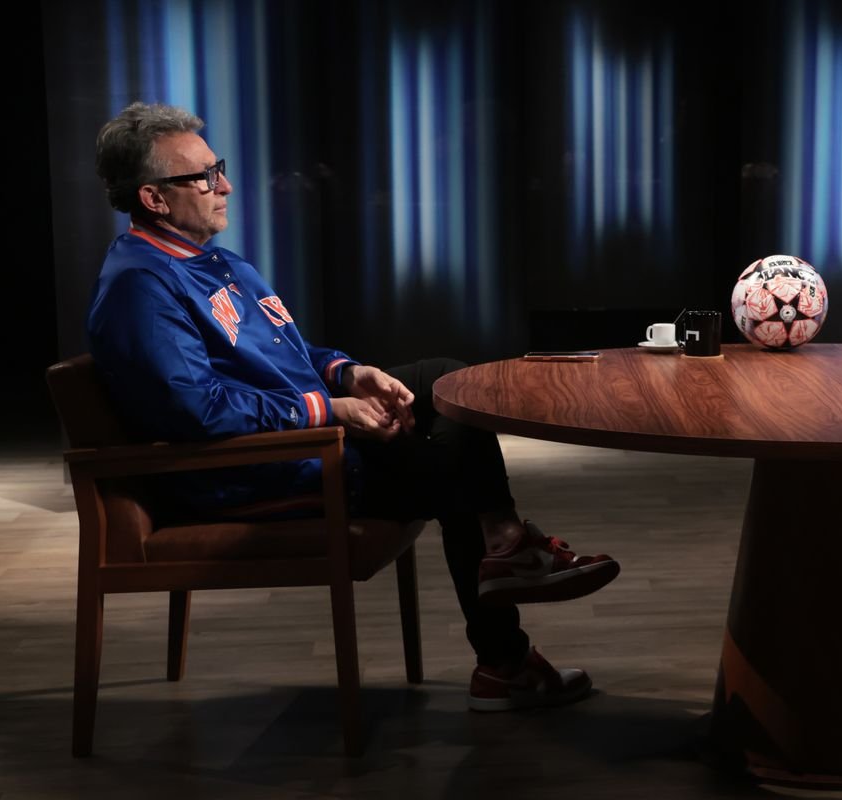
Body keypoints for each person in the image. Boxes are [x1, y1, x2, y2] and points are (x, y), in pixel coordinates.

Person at [86, 102, 620, 712]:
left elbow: (288, 352)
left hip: (302, 437)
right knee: (456, 466)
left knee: (449, 383)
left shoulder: (215, 261)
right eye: (205, 176)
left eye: (219, 168)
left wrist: (349, 373)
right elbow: (196, 410)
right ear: (154, 198)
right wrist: (328, 412)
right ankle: (506, 633)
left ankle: (506, 557)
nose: (225, 185)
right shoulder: (141, 287)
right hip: (255, 471)